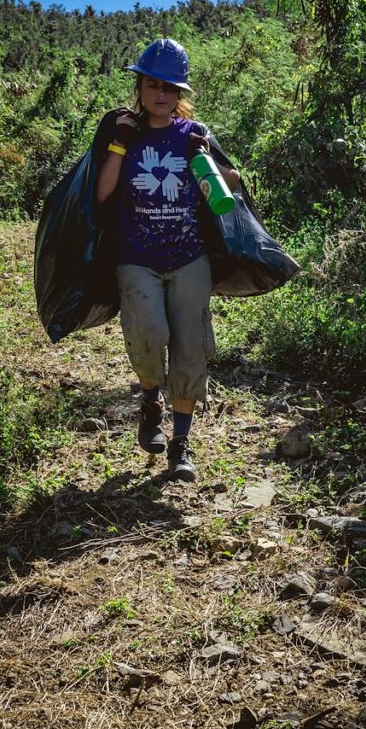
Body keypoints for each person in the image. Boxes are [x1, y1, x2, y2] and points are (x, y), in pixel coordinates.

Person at [94, 39, 241, 482]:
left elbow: (232, 183)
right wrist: (119, 144)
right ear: (138, 86)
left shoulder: (194, 131)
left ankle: (180, 443)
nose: (161, 94)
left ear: (180, 94)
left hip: (188, 257)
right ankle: (149, 398)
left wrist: (206, 159)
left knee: (190, 348)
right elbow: (100, 193)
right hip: (136, 257)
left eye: (170, 87)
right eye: (152, 84)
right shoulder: (120, 129)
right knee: (149, 333)